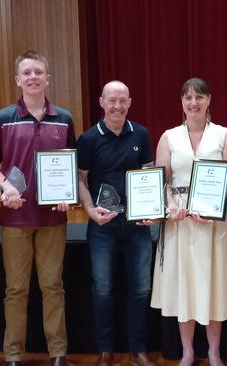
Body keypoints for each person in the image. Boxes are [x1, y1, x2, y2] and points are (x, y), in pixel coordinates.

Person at [150, 78, 227, 366]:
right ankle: (187, 352)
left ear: (209, 100)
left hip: (214, 222)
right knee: (185, 285)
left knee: (212, 283)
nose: (193, 103)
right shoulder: (169, 136)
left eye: (199, 97)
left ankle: (214, 351)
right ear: (181, 102)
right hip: (180, 222)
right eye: (187, 98)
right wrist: (171, 207)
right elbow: (161, 180)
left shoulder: (224, 135)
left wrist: (218, 209)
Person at [0, 50, 75, 366]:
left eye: (39, 72)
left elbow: (70, 165)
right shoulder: (3, 118)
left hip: (53, 218)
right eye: (27, 73)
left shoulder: (64, 119)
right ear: (17, 79)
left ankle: (58, 353)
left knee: (53, 287)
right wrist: (4, 185)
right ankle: (13, 355)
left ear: (47, 78)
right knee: (16, 289)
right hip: (14, 218)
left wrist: (69, 194)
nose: (33, 77)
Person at [76, 81, 159, 366]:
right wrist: (89, 210)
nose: (117, 106)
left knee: (140, 290)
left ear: (130, 102)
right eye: (112, 100)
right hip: (102, 227)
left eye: (123, 100)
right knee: (102, 290)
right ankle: (105, 351)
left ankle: (138, 351)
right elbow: (81, 180)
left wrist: (152, 208)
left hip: (137, 226)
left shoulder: (142, 134)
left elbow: (149, 174)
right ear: (101, 102)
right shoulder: (88, 139)